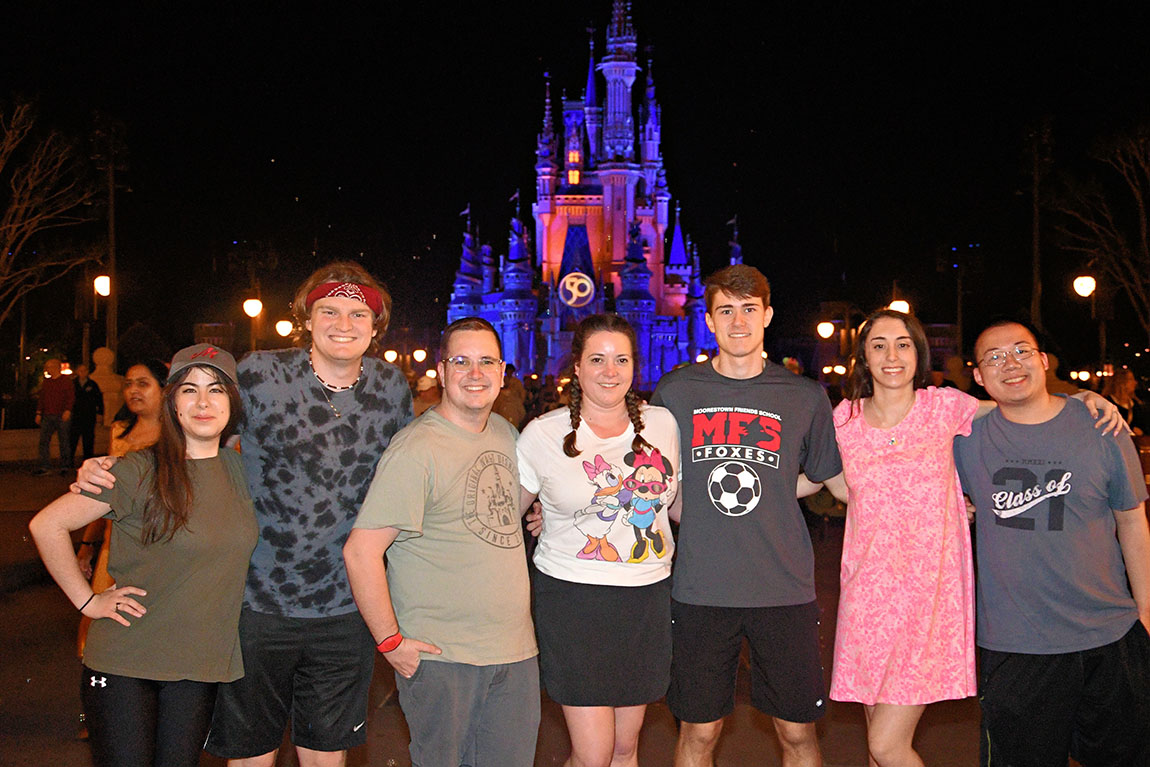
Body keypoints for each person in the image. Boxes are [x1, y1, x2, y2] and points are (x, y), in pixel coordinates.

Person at [76, 262, 413, 767]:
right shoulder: (260, 374)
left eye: (357, 312)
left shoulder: (392, 388)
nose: (343, 322)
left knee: (328, 756)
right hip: (256, 602)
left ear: (375, 324)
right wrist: (121, 467)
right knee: (251, 755)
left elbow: (408, 481)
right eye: (329, 310)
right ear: (307, 316)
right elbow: (194, 428)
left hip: (346, 608)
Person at [806, 310, 1124, 767]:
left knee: (885, 745)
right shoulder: (844, 420)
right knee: (876, 741)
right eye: (879, 345)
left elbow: (1021, 403)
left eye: (903, 344)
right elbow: (834, 485)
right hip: (868, 596)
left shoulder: (943, 407)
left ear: (919, 353)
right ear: (863, 357)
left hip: (927, 596)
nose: (891, 355)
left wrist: (1082, 398)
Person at [650, 264, 842, 767]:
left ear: (768, 315)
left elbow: (824, 476)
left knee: (798, 735)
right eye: (726, 311)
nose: (738, 322)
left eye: (749, 310)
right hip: (700, 591)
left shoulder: (803, 395)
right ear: (709, 320)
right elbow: (651, 480)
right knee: (699, 734)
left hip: (784, 591)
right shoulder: (674, 394)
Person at [30, 344, 256, 767]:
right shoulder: (136, 470)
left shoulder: (243, 471)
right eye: (189, 390)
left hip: (199, 666)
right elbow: (47, 525)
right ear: (172, 403)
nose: (204, 402)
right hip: (125, 664)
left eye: (217, 390)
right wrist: (88, 601)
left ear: (233, 403)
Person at [344, 317, 539, 767]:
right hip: (444, 656)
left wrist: (538, 511)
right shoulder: (417, 449)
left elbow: (500, 514)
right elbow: (361, 551)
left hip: (514, 652)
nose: (475, 373)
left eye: (486, 361)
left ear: (503, 371)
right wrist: (391, 643)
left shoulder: (506, 434)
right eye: (462, 361)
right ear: (443, 370)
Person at [955, 319, 1150, 767]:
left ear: (1043, 361)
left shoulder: (1101, 425)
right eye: (995, 357)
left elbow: (1132, 520)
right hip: (1015, 645)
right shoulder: (963, 440)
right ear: (979, 378)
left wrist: (1145, 615)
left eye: (1022, 351)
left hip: (1111, 635)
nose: (1011, 364)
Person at [518, 313, 679, 767]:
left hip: (646, 598)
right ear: (577, 366)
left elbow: (676, 504)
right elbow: (506, 513)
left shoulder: (663, 425)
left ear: (635, 366)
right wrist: (540, 515)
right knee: (594, 754)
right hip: (572, 601)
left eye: (621, 359)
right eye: (597, 359)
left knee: (626, 749)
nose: (610, 371)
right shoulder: (543, 434)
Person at [77, 359, 169, 661]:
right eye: (128, 384)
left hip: (159, 546)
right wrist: (87, 547)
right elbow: (100, 500)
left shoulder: (177, 437)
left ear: (165, 389)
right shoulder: (119, 433)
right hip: (113, 548)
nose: (133, 391)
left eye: (143, 383)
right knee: (102, 627)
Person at [35, 358, 75, 475]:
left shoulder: (66, 381)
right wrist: (38, 413)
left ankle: (65, 466)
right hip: (48, 415)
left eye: (49, 366)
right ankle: (45, 466)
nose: (47, 369)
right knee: (44, 441)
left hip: (61, 414)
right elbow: (42, 398)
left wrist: (67, 410)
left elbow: (70, 396)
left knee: (64, 440)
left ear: (56, 367)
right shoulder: (47, 382)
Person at [68, 364, 104, 466]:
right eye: (80, 370)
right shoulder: (73, 384)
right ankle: (69, 460)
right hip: (76, 416)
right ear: (77, 372)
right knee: (73, 438)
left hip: (89, 416)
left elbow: (99, 400)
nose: (82, 373)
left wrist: (100, 413)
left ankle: (88, 460)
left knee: (88, 439)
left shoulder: (92, 384)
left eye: (84, 370)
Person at [1103, 368, 1147, 435]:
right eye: (1131, 379)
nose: (1135, 382)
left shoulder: (1135, 405)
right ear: (1121, 382)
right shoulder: (1107, 402)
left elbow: (1142, 426)